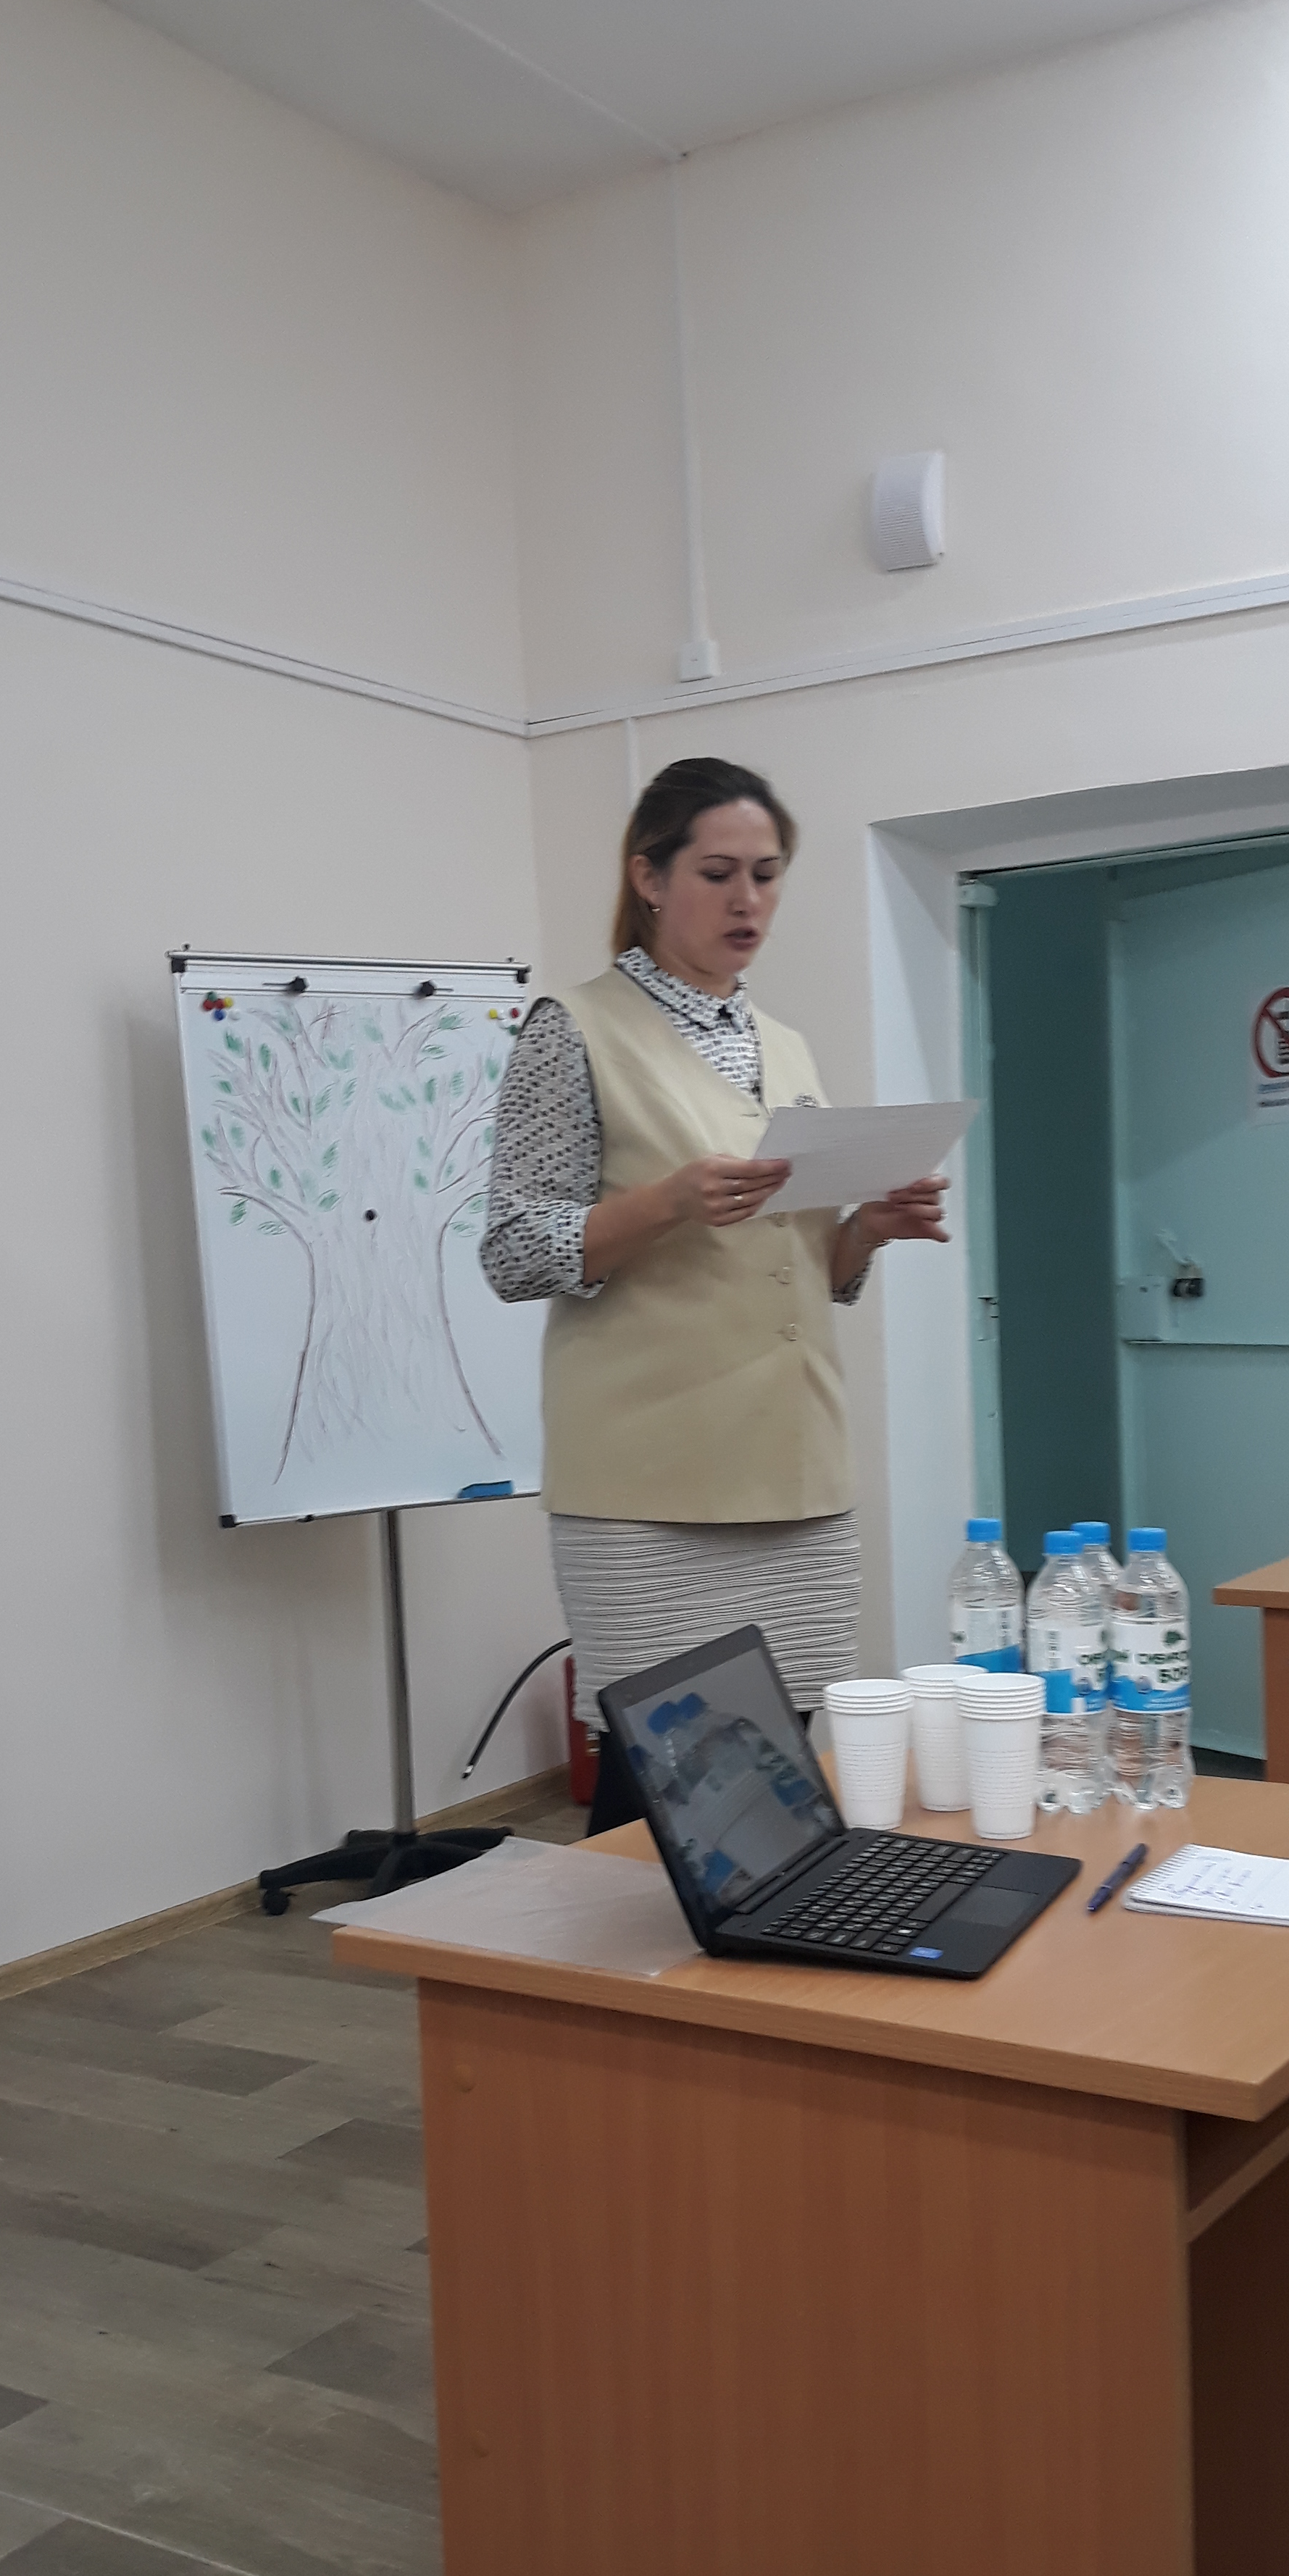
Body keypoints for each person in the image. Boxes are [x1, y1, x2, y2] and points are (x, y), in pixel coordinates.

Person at [482, 755, 950, 1830]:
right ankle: (613, 1948)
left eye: (768, 876)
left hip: (795, 1470)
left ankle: (761, 1947)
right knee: (657, 1786)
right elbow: (513, 1251)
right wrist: (666, 1203)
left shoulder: (783, 1046)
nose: (749, 902)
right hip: (647, 1483)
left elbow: (803, 1270)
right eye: (719, 873)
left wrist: (867, 1230)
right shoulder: (574, 1029)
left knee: (775, 1781)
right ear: (650, 878)